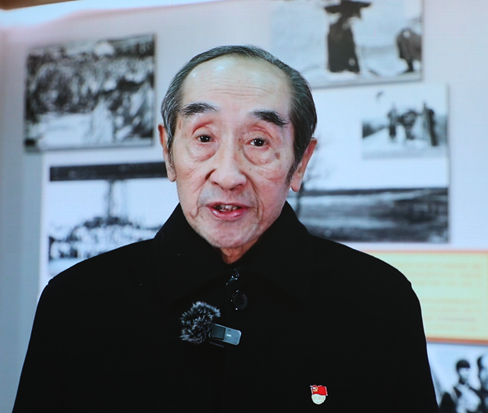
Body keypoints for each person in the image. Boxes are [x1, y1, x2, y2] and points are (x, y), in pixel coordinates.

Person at [13, 45, 437, 412]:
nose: (229, 174)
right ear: (168, 152)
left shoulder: (380, 302)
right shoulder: (77, 304)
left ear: (300, 162)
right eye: (204, 138)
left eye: (258, 141)